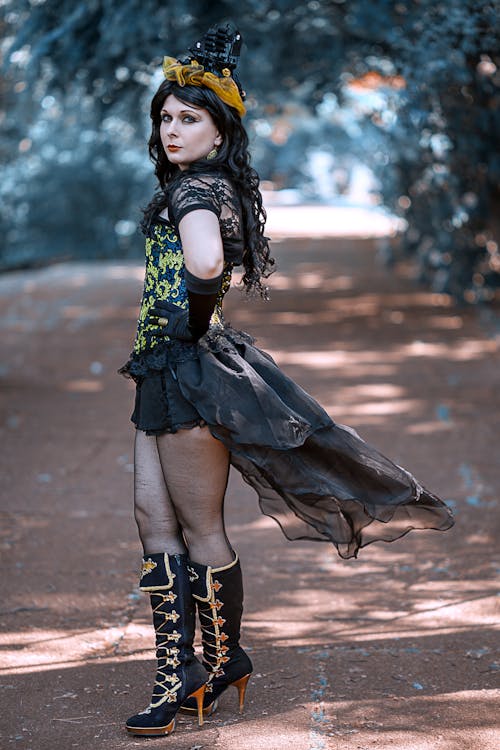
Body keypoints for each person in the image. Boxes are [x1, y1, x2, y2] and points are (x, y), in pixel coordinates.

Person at [119, 22, 454, 738]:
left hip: (185, 369)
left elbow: (205, 264)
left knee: (198, 526)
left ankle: (217, 661)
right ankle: (184, 671)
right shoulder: (202, 184)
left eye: (189, 119)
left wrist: (191, 321)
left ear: (219, 131)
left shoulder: (193, 193)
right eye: (166, 118)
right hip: (165, 369)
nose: (172, 128)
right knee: (154, 521)